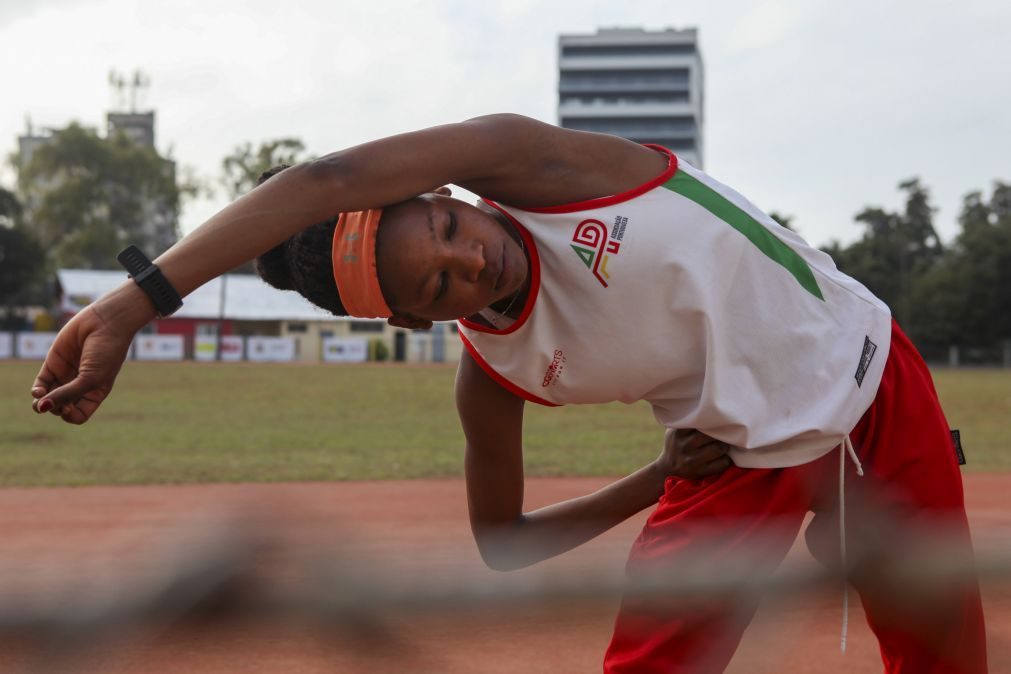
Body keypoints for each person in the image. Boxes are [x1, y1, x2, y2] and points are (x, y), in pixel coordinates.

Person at [30, 114, 986, 672]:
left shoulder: (546, 170)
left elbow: (329, 175)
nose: (468, 259)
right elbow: (502, 546)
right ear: (414, 321)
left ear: (460, 195)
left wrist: (142, 299)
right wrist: (650, 481)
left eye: (447, 227)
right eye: (435, 284)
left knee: (937, 644)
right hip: (723, 451)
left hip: (853, 378)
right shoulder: (492, 377)